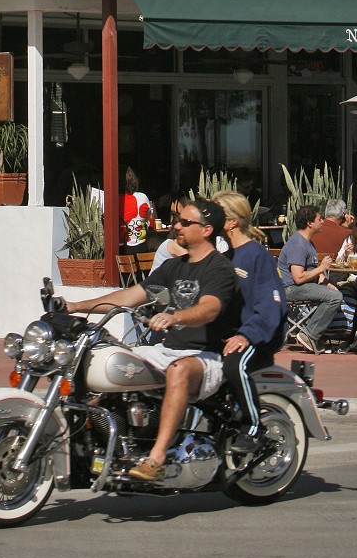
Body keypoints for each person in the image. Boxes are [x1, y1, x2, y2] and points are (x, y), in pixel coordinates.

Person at [64, 197, 238, 483]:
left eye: (185, 222)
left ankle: (156, 458)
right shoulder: (173, 267)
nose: (177, 226)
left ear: (206, 230)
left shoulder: (218, 268)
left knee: (178, 371)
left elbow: (211, 308)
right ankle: (109, 442)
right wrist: (75, 306)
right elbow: (128, 297)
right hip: (166, 349)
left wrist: (176, 317)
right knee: (111, 360)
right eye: (177, 220)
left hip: (208, 356)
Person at [214, 191, 287, 453]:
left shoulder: (256, 254)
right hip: (230, 333)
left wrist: (247, 335)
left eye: (216, 212)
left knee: (234, 364)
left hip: (257, 336)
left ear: (232, 221)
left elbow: (271, 303)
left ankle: (253, 427)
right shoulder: (226, 256)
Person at [279, 204, 345, 353]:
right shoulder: (298, 244)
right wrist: (322, 268)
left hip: (303, 286)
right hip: (291, 288)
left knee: (335, 293)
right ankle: (310, 334)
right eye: (319, 219)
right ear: (309, 223)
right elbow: (298, 277)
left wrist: (327, 283)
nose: (322, 221)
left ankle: (316, 337)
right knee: (334, 297)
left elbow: (313, 271)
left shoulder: (309, 242)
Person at [121, 166, 154, 250]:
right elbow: (151, 221)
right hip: (140, 245)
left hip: (121, 246)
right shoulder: (143, 197)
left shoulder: (115, 200)